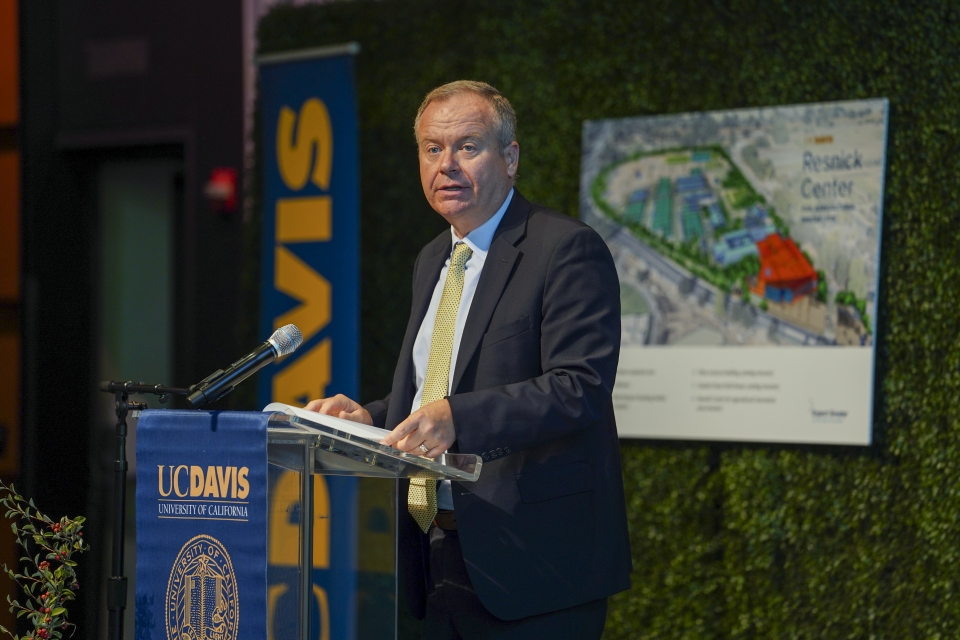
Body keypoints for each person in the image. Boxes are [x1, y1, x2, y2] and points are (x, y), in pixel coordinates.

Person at [306, 80, 631, 639]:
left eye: (468, 146)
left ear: (510, 158)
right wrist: (373, 418)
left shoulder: (565, 249)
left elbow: (580, 387)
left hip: (535, 565)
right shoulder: (434, 256)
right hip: (434, 557)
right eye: (433, 149)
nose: (447, 165)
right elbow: (434, 389)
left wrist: (457, 417)